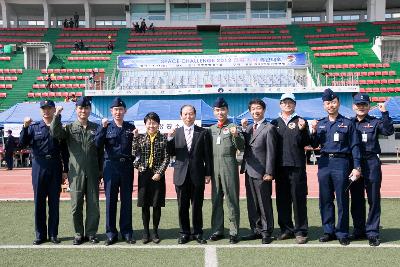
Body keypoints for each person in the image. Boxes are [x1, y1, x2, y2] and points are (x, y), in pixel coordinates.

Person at [310, 88, 361, 246]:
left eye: (333, 102)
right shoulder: (321, 124)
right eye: (327, 103)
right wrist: (312, 131)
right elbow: (313, 145)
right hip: (324, 164)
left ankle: (342, 232)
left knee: (342, 199)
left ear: (338, 103)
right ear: (324, 105)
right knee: (325, 199)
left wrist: (357, 166)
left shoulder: (347, 123)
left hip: (342, 163)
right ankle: (328, 231)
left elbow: (355, 146)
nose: (330, 105)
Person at [50, 97, 103, 245]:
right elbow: (55, 133)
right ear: (76, 110)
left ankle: (91, 233)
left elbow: (100, 152)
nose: (83, 111)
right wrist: (57, 115)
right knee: (76, 206)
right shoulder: (69, 128)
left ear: (90, 110)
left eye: (86, 108)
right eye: (80, 108)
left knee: (93, 205)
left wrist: (101, 171)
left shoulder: (96, 128)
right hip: (75, 174)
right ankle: (79, 233)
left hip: (92, 172)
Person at [19, 100, 69, 245]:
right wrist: (25, 126)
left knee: (54, 202)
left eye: (49, 108)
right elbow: (22, 143)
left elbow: (64, 151)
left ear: (54, 110)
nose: (46, 111)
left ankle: (53, 234)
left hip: (55, 166)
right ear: (41, 111)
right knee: (39, 202)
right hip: (39, 166)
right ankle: (40, 235)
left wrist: (66, 170)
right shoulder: (33, 127)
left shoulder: (59, 127)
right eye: (43, 109)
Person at [350, 93, 394, 246]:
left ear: (369, 106)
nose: (361, 107)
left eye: (364, 104)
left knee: (373, 198)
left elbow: (388, 131)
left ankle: (373, 232)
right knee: (356, 199)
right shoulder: (349, 123)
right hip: (354, 164)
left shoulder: (375, 122)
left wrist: (384, 113)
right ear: (353, 106)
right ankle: (359, 230)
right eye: (358, 104)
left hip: (371, 163)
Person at [167, 105, 212, 245]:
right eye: (185, 114)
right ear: (181, 116)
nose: (188, 117)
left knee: (197, 205)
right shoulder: (176, 132)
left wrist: (208, 173)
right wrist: (169, 138)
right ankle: (184, 233)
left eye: (191, 114)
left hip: (197, 174)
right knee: (182, 206)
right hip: (181, 175)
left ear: (195, 115)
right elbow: (171, 153)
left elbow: (208, 155)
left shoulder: (203, 132)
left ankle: (198, 232)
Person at [95, 97, 136, 246]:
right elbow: (97, 144)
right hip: (110, 167)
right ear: (111, 111)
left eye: (120, 109)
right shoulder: (106, 126)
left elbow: (136, 148)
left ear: (125, 111)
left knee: (126, 201)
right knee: (110, 201)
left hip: (126, 167)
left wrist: (137, 136)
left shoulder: (131, 128)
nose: (118, 112)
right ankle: (111, 233)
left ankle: (127, 232)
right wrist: (103, 128)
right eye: (115, 110)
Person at [271, 93, 310, 244]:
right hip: (280, 167)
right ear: (280, 104)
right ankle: (286, 229)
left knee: (299, 199)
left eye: (290, 102)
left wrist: (302, 129)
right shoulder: (274, 123)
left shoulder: (301, 121)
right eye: (285, 102)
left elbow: (306, 143)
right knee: (282, 200)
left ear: (295, 104)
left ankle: (301, 231)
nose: (287, 104)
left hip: (297, 166)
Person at [240, 98, 277, 244]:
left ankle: (266, 231)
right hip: (249, 170)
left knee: (264, 202)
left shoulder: (269, 128)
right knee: (252, 202)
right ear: (249, 111)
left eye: (258, 108)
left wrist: (269, 172)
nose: (255, 111)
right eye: (253, 109)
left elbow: (271, 152)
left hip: (262, 172)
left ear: (264, 110)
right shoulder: (249, 128)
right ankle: (255, 229)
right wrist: (242, 129)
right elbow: (244, 145)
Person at [208, 97, 244, 244]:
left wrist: (235, 135)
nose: (220, 112)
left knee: (231, 199)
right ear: (214, 111)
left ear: (227, 110)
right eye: (217, 110)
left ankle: (234, 231)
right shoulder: (211, 129)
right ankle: (217, 230)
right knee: (216, 199)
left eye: (222, 109)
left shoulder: (233, 127)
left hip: (229, 164)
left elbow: (241, 146)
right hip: (214, 165)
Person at [132, 112, 170, 244]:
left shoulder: (163, 139)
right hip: (144, 175)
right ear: (145, 124)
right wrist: (140, 167)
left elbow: (166, 158)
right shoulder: (141, 138)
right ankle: (145, 232)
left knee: (156, 204)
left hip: (158, 176)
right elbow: (134, 155)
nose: (151, 125)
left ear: (158, 124)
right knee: (145, 205)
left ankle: (155, 231)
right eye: (149, 123)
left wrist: (160, 172)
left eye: (154, 123)